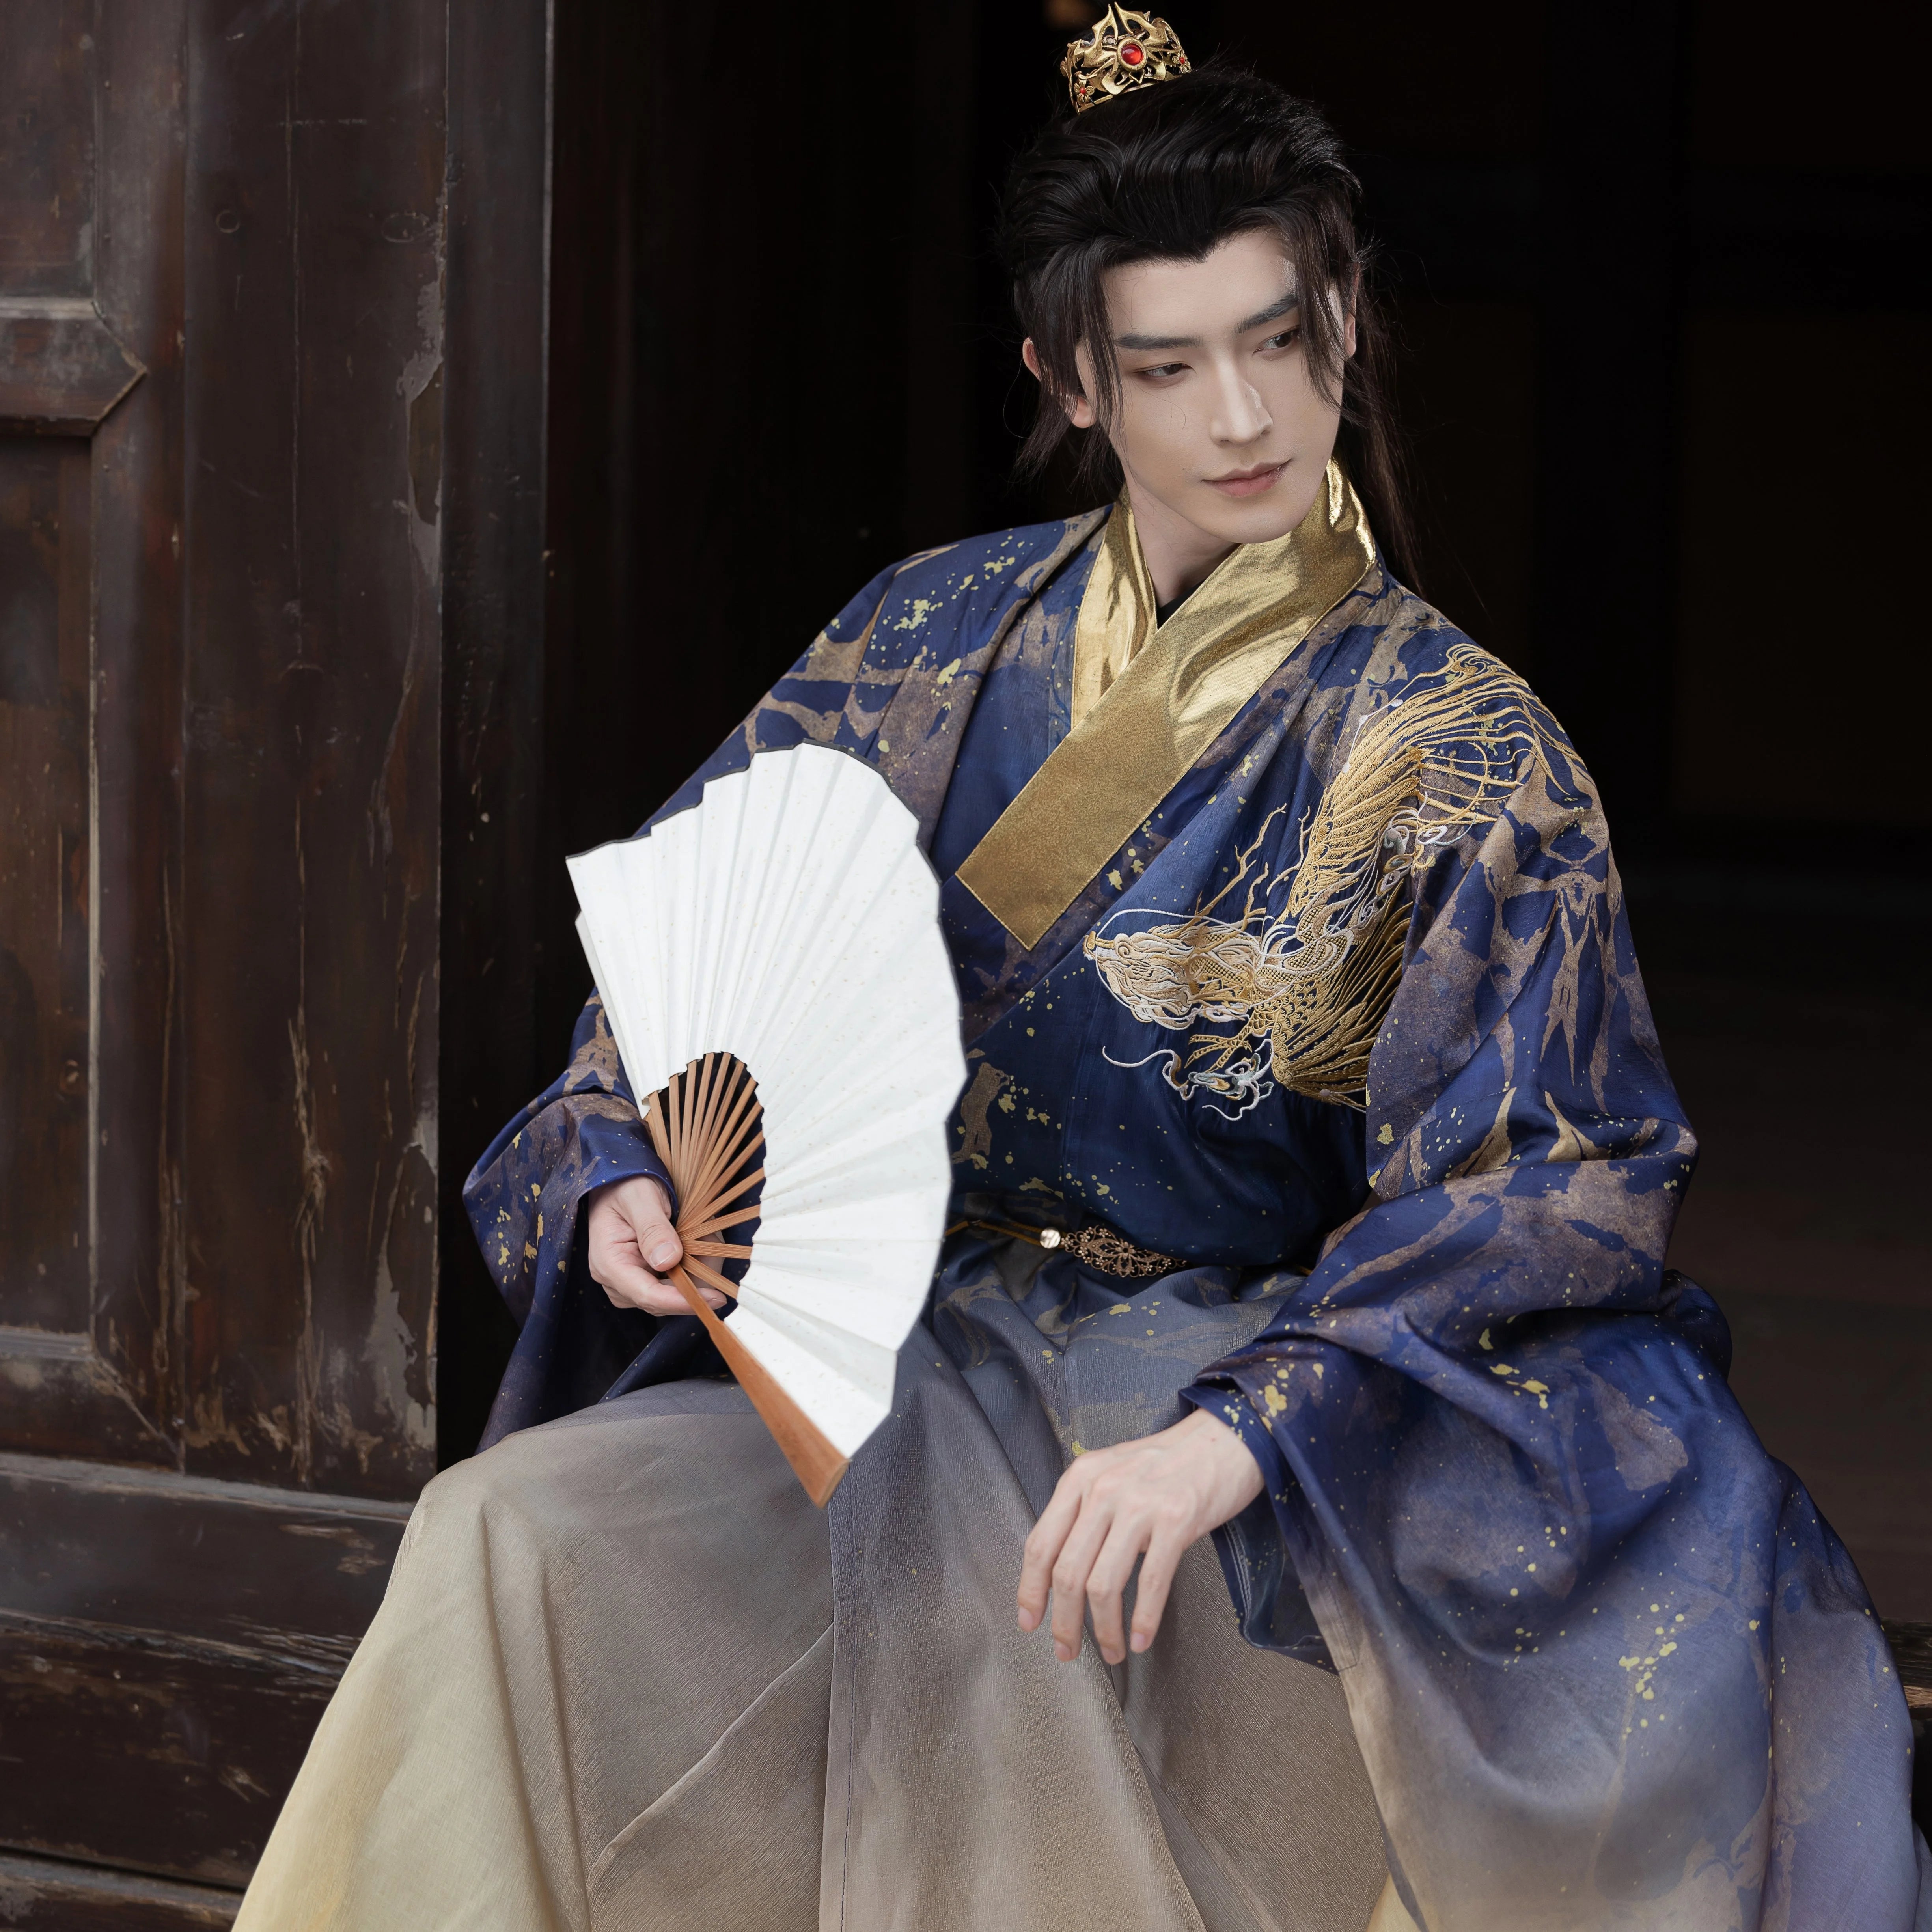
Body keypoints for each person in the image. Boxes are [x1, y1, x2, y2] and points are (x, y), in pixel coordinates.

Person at [235, 11, 1927, 1930]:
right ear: (1066, 379)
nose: (1245, 419)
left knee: (1038, 1609)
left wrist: (1241, 1433)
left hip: (1279, 1400)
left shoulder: (1466, 753)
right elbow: (696, 964)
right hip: (930, 1355)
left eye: (1280, 341)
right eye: (1169, 365)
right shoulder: (924, 638)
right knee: (506, 1535)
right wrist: (621, 1150)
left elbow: (1551, 1185)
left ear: (1344, 321)